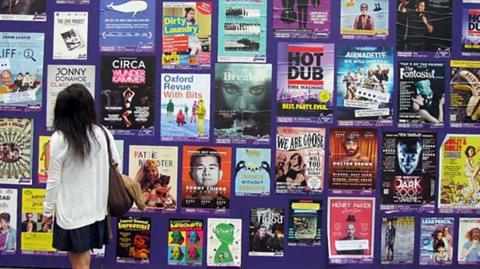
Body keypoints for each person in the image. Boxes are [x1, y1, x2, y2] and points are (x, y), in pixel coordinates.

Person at [43, 83, 121, 269]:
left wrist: (47, 211)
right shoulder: (103, 133)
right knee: (83, 261)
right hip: (97, 211)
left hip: (72, 213)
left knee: (80, 264)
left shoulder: (60, 139)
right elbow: (116, 165)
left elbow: (53, 180)